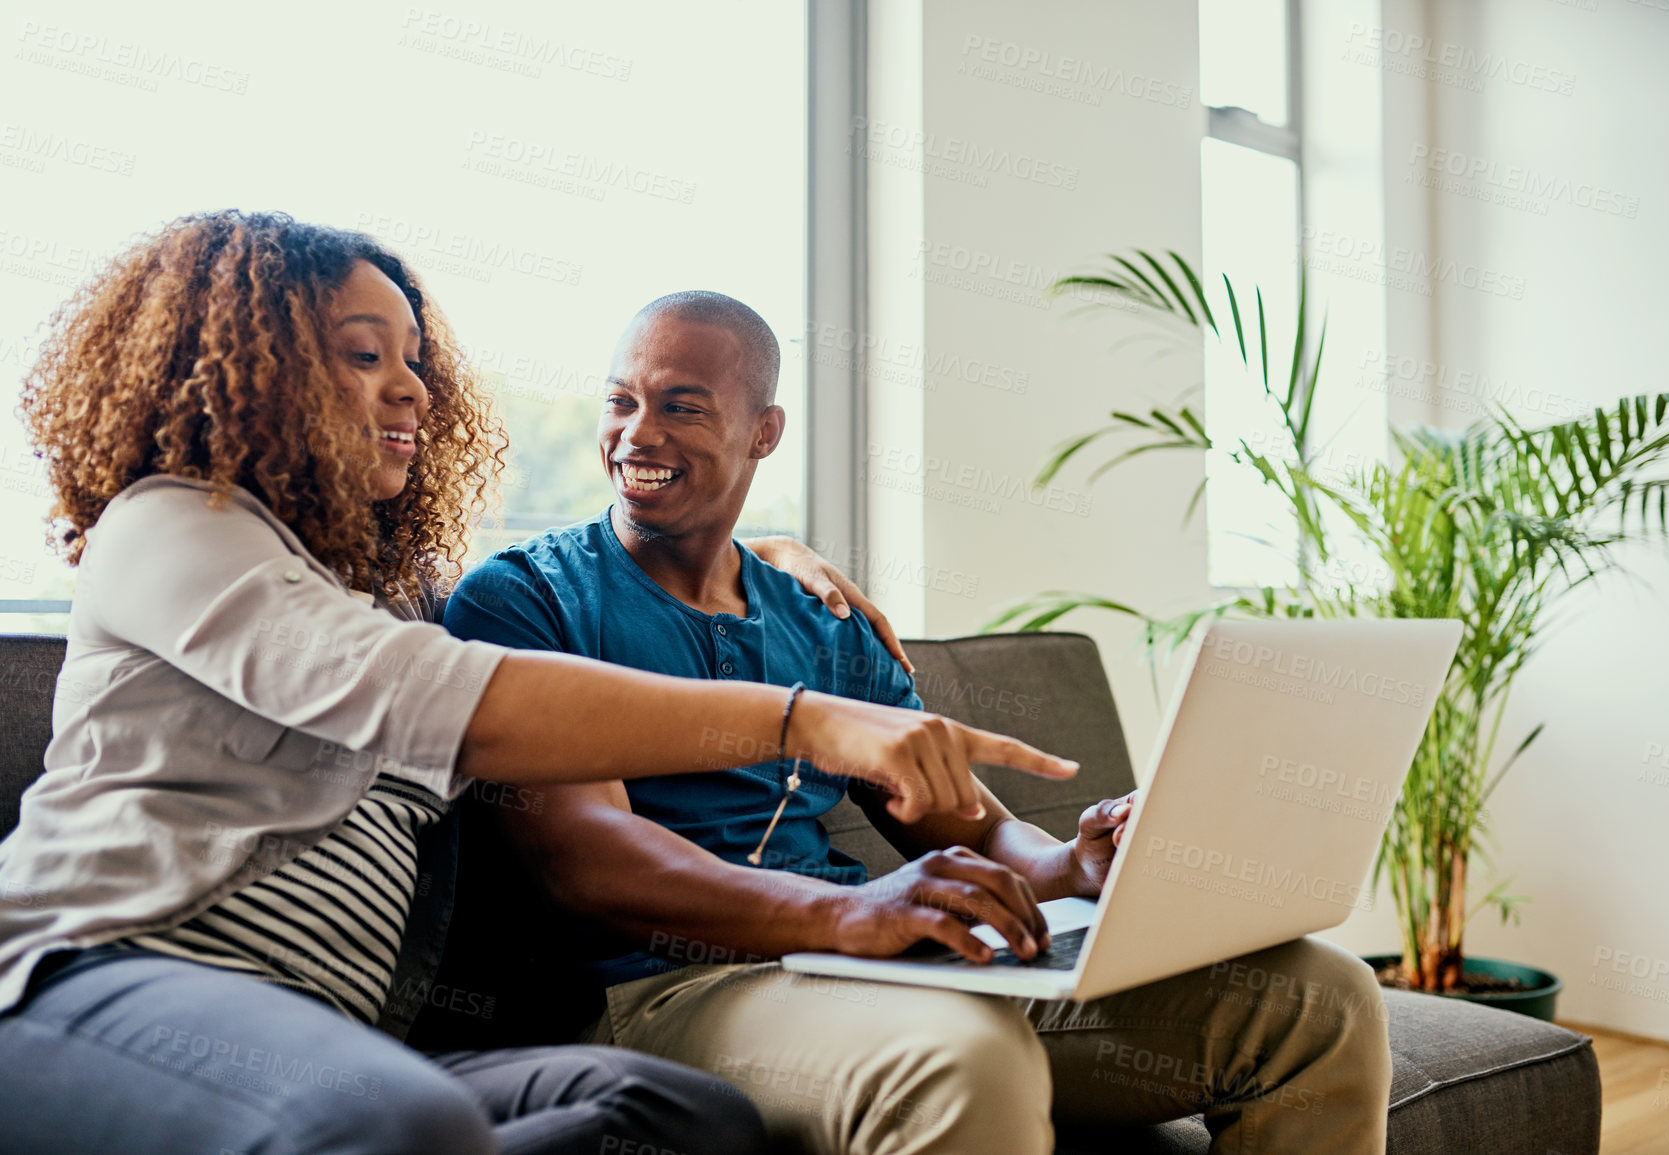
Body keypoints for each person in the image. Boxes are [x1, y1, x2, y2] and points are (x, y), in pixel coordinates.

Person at [0, 213, 1076, 1155]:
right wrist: (803, 718)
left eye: (414, 357)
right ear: (246, 367)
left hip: (333, 1036)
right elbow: (439, 695)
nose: (412, 384)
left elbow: (587, 580)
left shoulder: (382, 592)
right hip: (84, 980)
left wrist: (772, 552)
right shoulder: (168, 522)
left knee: (685, 1121)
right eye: (363, 354)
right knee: (395, 1124)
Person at [437, 290, 1396, 1155]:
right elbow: (586, 857)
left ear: (763, 431)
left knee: (1319, 998)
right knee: (964, 1054)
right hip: (664, 991)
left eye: (681, 405)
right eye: (619, 401)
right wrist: (856, 913)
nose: (635, 433)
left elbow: (968, 824)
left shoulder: (818, 617)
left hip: (862, 965)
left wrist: (1076, 865)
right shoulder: (525, 600)